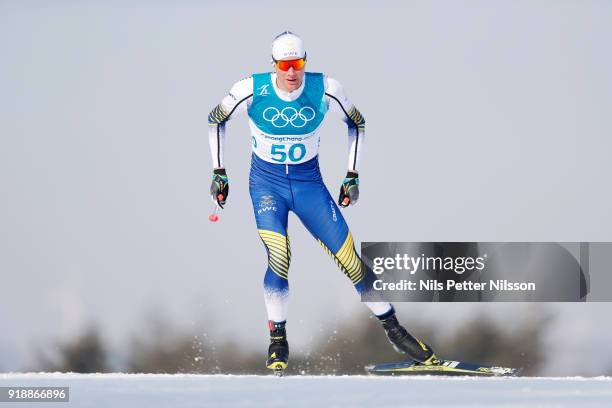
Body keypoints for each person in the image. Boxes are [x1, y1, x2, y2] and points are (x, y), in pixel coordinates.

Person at [208, 31, 437, 373]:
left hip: (308, 186)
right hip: (267, 186)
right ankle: (278, 340)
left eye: (297, 63)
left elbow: (357, 124)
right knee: (280, 255)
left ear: (304, 62)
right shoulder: (250, 90)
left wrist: (352, 174)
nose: (291, 72)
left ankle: (395, 330)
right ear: (274, 66)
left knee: (351, 260)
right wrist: (219, 171)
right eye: (285, 65)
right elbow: (216, 120)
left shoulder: (326, 89)